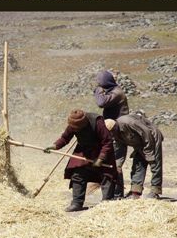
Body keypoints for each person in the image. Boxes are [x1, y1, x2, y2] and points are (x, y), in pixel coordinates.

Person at [44, 109, 118, 212]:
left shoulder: (97, 122)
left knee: (107, 175)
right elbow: (65, 138)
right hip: (84, 150)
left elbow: (107, 142)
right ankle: (77, 203)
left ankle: (107, 202)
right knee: (77, 173)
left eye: (78, 128)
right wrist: (54, 146)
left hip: (101, 150)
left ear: (84, 123)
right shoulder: (73, 124)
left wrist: (101, 158)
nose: (75, 129)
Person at [105, 114, 164, 199]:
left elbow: (146, 133)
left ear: (114, 128)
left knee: (155, 164)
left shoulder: (128, 122)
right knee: (138, 165)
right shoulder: (115, 134)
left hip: (151, 139)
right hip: (139, 143)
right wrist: (118, 165)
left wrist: (148, 153)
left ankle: (155, 191)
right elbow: (119, 151)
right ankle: (135, 192)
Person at [94, 70, 130, 198]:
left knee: (116, 163)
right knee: (111, 163)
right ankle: (113, 194)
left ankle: (118, 194)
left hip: (118, 134)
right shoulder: (112, 91)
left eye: (100, 82)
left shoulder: (117, 93)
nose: (99, 85)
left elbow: (101, 103)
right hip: (112, 132)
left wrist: (98, 90)